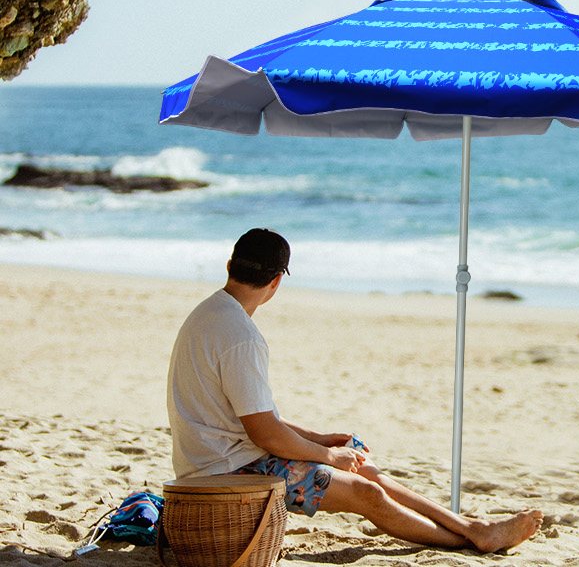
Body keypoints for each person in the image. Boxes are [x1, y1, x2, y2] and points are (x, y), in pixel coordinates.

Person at [165, 228, 541, 553]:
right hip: (230, 470)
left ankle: (473, 528)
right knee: (368, 494)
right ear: (278, 281)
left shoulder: (208, 313)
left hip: (224, 457)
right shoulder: (242, 337)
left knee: (366, 470)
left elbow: (252, 417)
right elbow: (264, 432)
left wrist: (321, 439)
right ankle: (468, 539)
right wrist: (327, 454)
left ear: (230, 266)